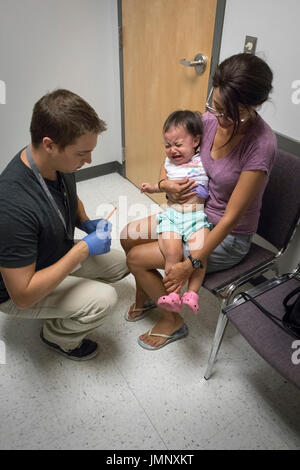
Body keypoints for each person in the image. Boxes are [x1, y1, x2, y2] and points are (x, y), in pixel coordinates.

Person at [121, 53, 277, 350]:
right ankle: (148, 299)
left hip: (225, 234)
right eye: (214, 106)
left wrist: (192, 262)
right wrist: (166, 184)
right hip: (190, 212)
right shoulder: (209, 119)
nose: (217, 118)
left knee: (135, 259)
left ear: (252, 107)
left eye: (227, 114)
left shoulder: (260, 146)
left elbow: (230, 217)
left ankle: (172, 322)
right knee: (128, 235)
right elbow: (173, 154)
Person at [0, 89, 128, 360]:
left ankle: (63, 296)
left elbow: (70, 196)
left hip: (52, 255)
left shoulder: (57, 164)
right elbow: (22, 295)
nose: (90, 161)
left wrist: (85, 222)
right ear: (49, 144)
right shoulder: (11, 206)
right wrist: (82, 250)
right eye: (83, 153)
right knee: (105, 299)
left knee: (121, 263)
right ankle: (57, 337)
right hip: (17, 291)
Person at [139, 110, 211, 315]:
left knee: (199, 253)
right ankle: (173, 294)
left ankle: (193, 294)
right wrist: (152, 187)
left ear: (196, 141)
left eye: (178, 145)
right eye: (168, 145)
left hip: (197, 216)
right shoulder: (168, 162)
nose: (172, 150)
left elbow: (215, 181)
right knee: (173, 252)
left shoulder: (203, 160)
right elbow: (161, 186)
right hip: (172, 216)